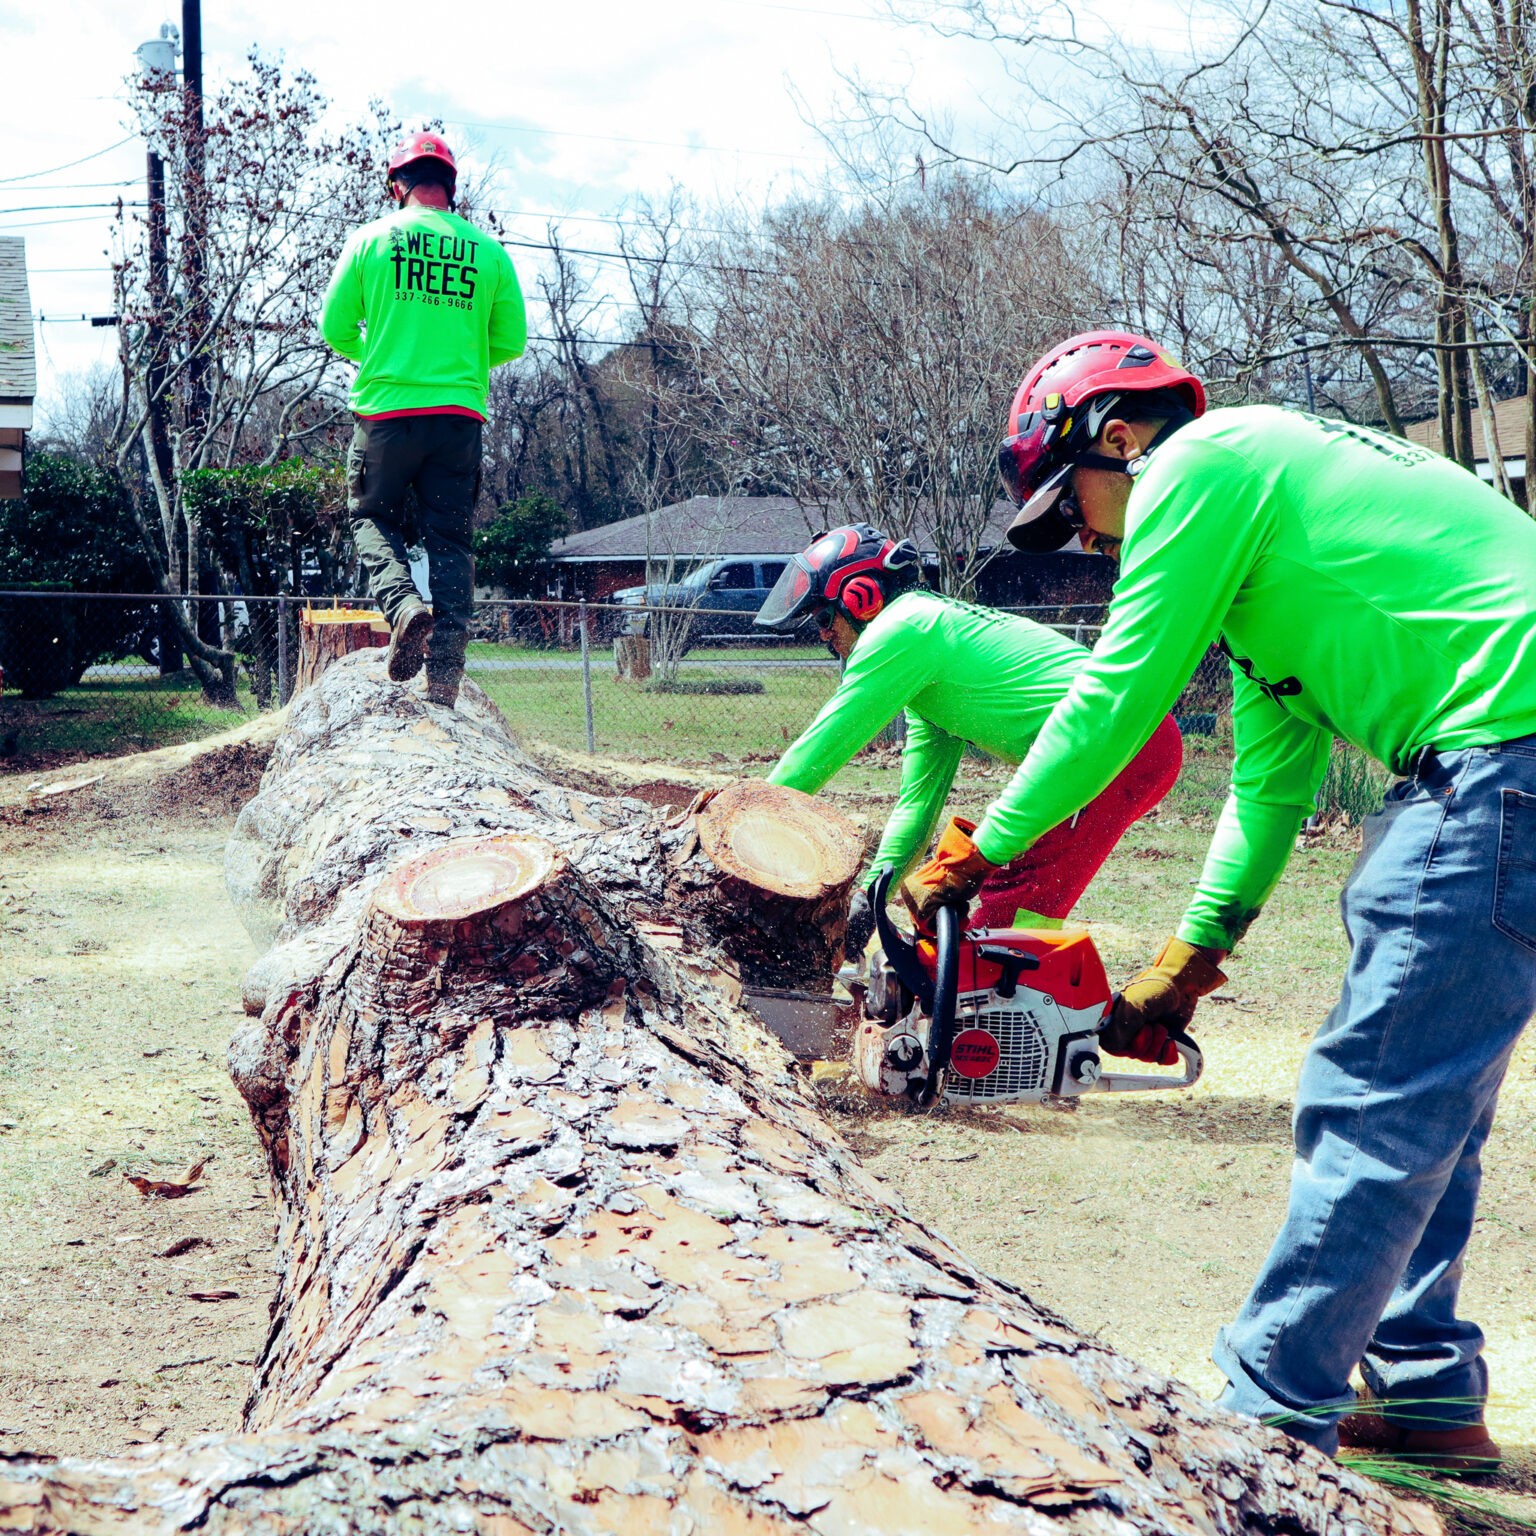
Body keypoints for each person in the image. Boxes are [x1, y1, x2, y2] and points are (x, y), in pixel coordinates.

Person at [904, 327, 1536, 1470]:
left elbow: (1116, 690)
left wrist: (982, 846)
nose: (1089, 540)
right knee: (1432, 1098)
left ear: (1115, 438)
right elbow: (1268, 783)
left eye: (1074, 505)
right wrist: (1188, 958)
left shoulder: (1202, 464)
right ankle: (1430, 1395)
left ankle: (1262, 1423)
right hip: (1507, 762)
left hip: (1503, 757)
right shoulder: (1266, 536)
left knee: (1376, 1099)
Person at [753, 523, 1183, 957]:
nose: (824, 634)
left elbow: (821, 748)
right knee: (1007, 902)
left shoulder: (904, 629)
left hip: (1119, 740)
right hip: (1125, 739)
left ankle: (994, 1014)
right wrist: (870, 900)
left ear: (861, 597)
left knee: (1015, 909)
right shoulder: (927, 659)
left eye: (824, 619)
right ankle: (985, 1003)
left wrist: (748, 816)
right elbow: (918, 807)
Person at [320, 132, 527, 707]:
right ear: (451, 188)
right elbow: (511, 340)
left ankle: (405, 608)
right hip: (459, 418)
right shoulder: (488, 253)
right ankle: (445, 675)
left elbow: (334, 328)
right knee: (450, 541)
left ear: (397, 187)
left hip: (385, 413)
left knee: (369, 519)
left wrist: (382, 356)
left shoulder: (370, 241)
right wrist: (455, 362)